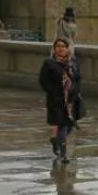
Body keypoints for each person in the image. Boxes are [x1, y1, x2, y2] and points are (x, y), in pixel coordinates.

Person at [38, 36, 82, 164]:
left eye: (63, 46)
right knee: (62, 125)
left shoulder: (73, 61)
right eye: (58, 46)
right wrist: (52, 91)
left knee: (69, 127)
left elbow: (78, 78)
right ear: (54, 49)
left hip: (71, 100)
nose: (61, 49)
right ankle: (63, 154)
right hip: (56, 100)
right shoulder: (49, 63)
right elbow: (43, 80)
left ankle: (57, 141)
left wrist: (76, 90)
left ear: (67, 48)